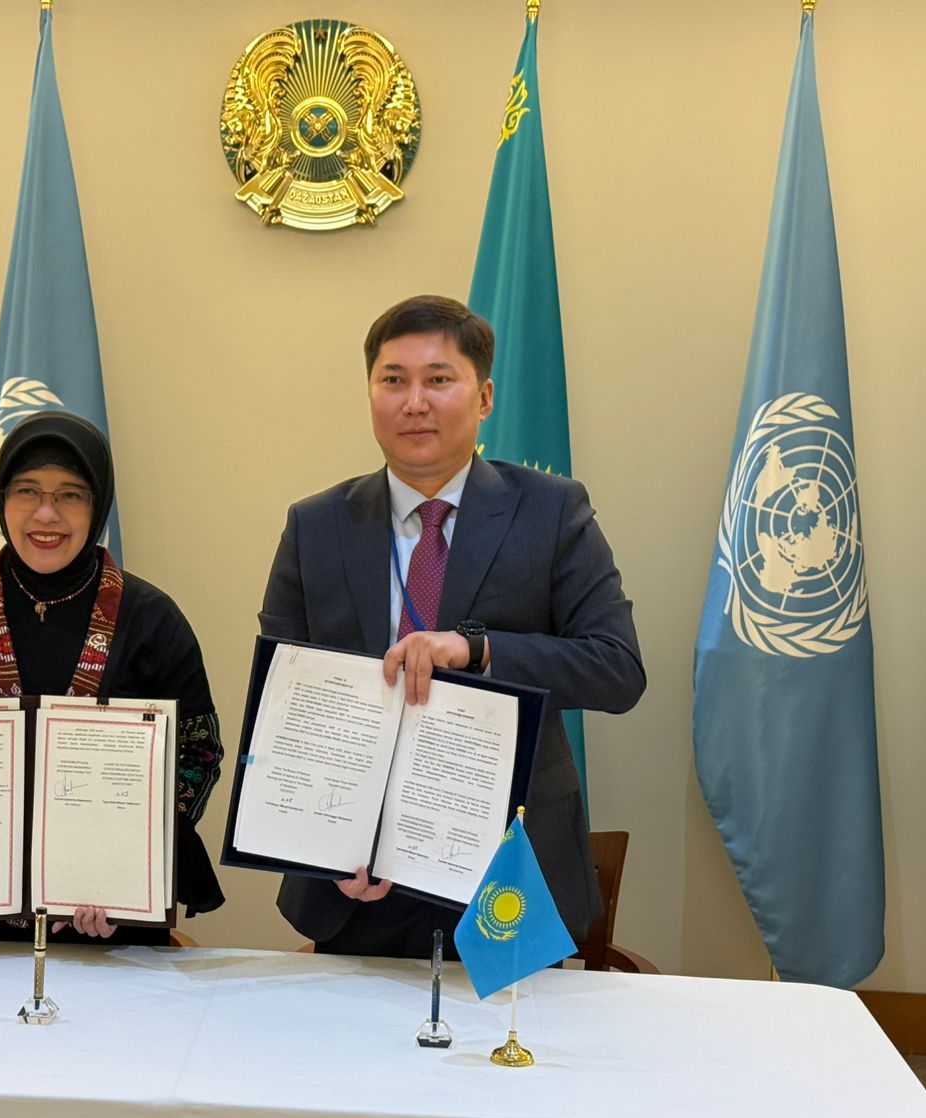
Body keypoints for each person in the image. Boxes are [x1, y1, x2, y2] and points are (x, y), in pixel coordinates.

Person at [258, 294, 644, 958]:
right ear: (370, 393)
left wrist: (479, 650)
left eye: (438, 379)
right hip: (358, 881)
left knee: (507, 1028)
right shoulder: (315, 525)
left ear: (484, 397)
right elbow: (285, 701)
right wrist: (325, 840)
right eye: (393, 380)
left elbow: (616, 669)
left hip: (506, 873)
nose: (415, 402)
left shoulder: (551, 512)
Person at [0, 411, 224, 944]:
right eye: (27, 490)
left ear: (99, 504)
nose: (47, 513)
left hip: (109, 924)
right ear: (2, 500)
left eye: (71, 494)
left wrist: (130, 867)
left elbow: (198, 754)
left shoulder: (153, 618)